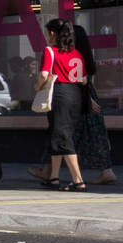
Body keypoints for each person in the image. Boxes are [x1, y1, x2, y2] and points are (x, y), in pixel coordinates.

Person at [29, 24, 115, 186]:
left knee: (61, 134)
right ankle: (53, 174)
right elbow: (85, 80)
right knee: (78, 134)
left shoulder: (61, 52)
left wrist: (88, 99)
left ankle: (73, 179)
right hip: (82, 95)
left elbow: (58, 77)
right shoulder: (82, 55)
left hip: (72, 96)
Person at [33, 18, 88, 191]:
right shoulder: (77, 53)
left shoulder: (50, 51)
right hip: (75, 94)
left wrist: (37, 87)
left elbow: (43, 75)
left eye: (47, 33)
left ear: (52, 33)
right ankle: (54, 177)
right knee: (59, 134)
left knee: (63, 137)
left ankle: (78, 180)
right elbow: (85, 80)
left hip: (59, 94)